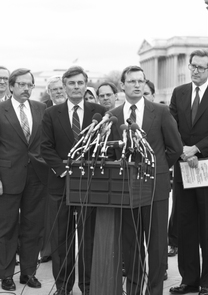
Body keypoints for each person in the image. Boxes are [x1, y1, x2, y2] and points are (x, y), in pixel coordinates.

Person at [108, 65, 182, 295]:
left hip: (155, 188)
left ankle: (154, 290)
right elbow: (111, 153)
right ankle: (133, 289)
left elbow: (175, 147)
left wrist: (157, 169)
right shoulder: (113, 116)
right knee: (130, 245)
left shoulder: (160, 111)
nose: (137, 85)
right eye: (132, 81)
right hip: (126, 190)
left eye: (141, 81)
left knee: (157, 245)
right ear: (123, 85)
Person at [169, 49, 208, 295]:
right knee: (185, 225)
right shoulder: (179, 92)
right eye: (192, 66)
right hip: (184, 167)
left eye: (200, 67)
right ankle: (189, 280)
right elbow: (171, 127)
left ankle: (207, 283)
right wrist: (183, 152)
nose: (195, 71)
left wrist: (196, 149)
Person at [41, 66, 106, 295]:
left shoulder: (99, 111)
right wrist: (63, 171)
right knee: (62, 239)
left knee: (88, 238)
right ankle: (63, 286)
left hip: (90, 184)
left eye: (80, 83)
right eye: (71, 83)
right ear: (65, 86)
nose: (76, 87)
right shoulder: (51, 113)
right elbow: (45, 147)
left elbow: (105, 146)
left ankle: (87, 286)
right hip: (60, 185)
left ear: (85, 84)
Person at [0, 68, 48, 291]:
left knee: (33, 227)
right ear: (11, 86)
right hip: (8, 177)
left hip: (36, 178)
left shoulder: (41, 108)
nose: (26, 88)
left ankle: (28, 273)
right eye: (21, 84)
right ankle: (6, 274)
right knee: (7, 228)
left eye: (30, 85)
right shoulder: (1, 110)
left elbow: (45, 143)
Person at [40, 75, 68, 264]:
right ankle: (48, 250)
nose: (58, 91)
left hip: (73, 170)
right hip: (48, 169)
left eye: (60, 88)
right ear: (49, 92)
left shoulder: (74, 109)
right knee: (50, 216)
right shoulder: (44, 110)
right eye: (54, 89)